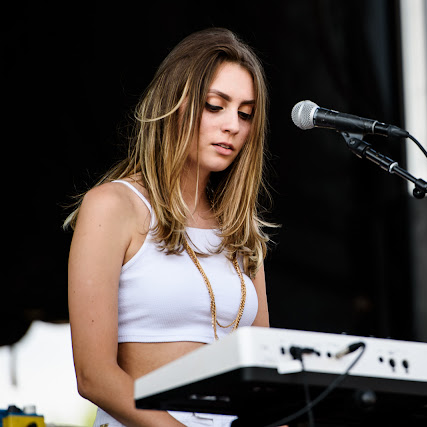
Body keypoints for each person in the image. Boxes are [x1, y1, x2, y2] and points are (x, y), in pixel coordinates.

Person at [65, 27, 275, 427]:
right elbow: (94, 376)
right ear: (176, 104)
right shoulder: (113, 206)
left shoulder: (242, 228)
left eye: (245, 114)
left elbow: (265, 373)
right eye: (216, 106)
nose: (233, 124)